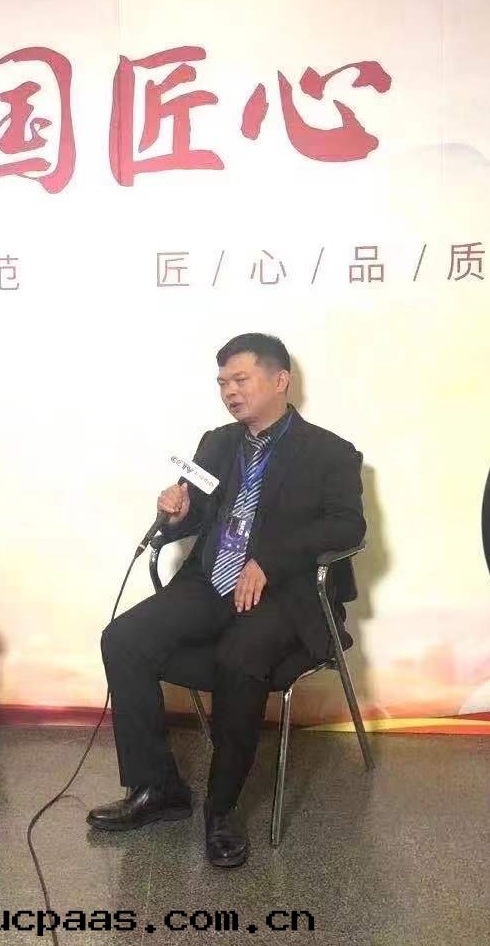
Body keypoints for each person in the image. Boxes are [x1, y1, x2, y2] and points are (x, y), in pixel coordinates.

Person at [87, 333, 366, 868]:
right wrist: (177, 511)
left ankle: (222, 810)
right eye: (222, 383)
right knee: (123, 638)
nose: (230, 392)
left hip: (283, 592)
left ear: (280, 380)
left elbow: (347, 525)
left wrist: (270, 561)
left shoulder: (329, 452)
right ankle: (156, 788)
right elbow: (198, 511)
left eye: (240, 380)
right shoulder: (216, 443)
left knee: (240, 658)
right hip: (211, 580)